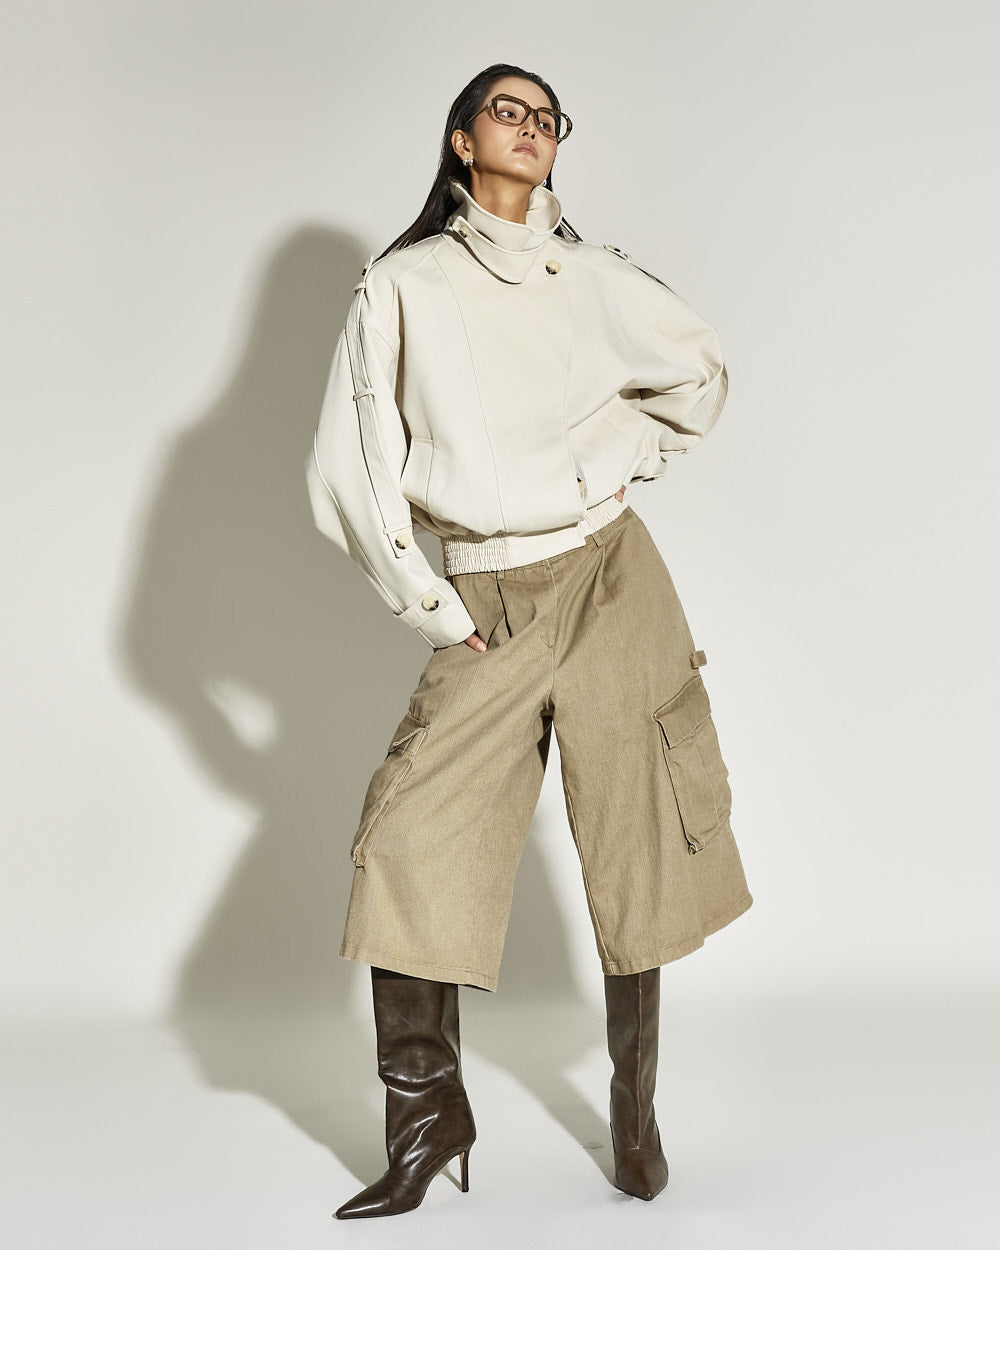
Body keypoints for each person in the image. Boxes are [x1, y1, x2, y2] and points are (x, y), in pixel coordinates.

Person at [306, 63, 754, 1220]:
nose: (530, 127)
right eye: (507, 110)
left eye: (546, 117)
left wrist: (622, 459)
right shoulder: (401, 285)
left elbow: (698, 372)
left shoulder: (593, 275)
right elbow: (350, 470)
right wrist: (432, 607)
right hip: (485, 598)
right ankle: (427, 1124)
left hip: (611, 577)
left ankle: (634, 1115)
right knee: (411, 843)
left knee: (633, 841)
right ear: (461, 141)